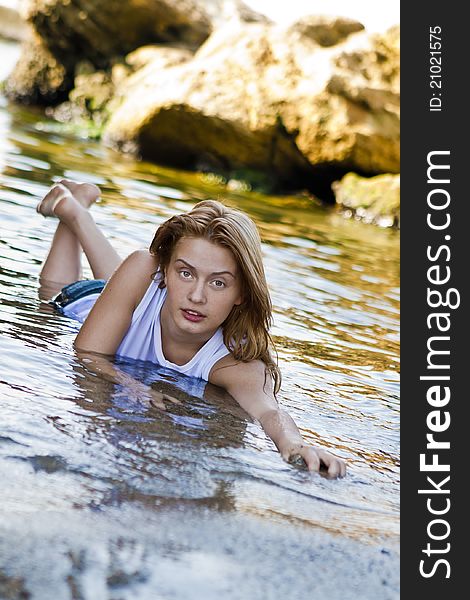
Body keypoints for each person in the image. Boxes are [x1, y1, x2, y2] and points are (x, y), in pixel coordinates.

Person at [37, 180, 346, 478]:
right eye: (186, 273)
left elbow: (269, 412)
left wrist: (296, 447)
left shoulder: (236, 360)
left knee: (129, 284)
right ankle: (72, 213)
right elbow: (86, 354)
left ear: (242, 293)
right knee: (54, 289)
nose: (198, 296)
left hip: (129, 299)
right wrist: (131, 384)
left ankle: (76, 207)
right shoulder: (146, 268)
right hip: (80, 303)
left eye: (218, 282)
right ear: (166, 270)